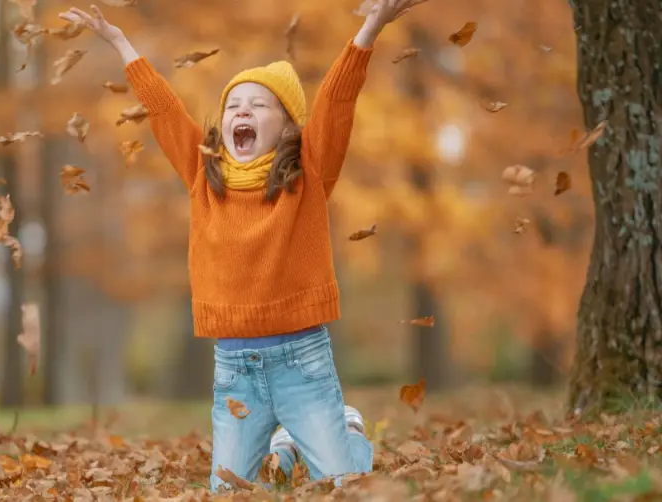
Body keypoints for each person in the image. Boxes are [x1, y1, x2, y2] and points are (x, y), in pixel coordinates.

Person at [60, 0, 426, 491]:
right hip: (236, 371)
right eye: (233, 105)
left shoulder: (308, 173)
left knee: (343, 486)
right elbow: (165, 110)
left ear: (288, 126)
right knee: (227, 492)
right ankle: (286, 450)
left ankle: (348, 434)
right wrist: (121, 42)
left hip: (303, 361)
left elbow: (338, 101)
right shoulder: (202, 173)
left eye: (258, 104)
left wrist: (371, 28)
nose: (242, 111)